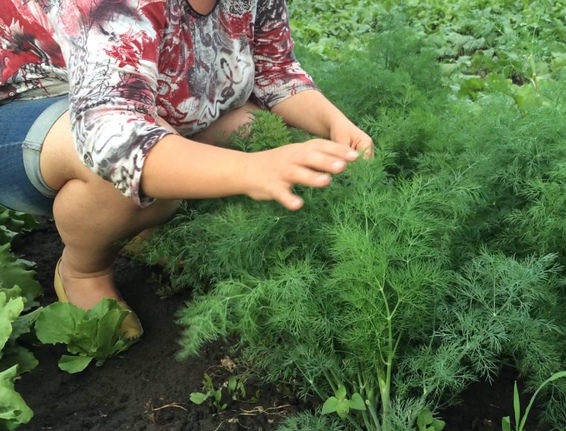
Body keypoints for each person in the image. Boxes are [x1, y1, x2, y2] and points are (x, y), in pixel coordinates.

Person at [0, 0, 374, 341]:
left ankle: (135, 232)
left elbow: (274, 70)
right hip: (28, 107)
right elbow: (110, 133)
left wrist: (334, 124)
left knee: (251, 128)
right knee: (128, 178)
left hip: (133, 98)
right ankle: (84, 269)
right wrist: (249, 169)